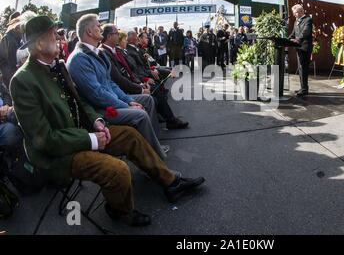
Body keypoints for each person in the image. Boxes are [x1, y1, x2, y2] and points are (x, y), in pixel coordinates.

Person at [10, 15, 205, 227]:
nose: (59, 38)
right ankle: (120, 210)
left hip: (82, 134)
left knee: (131, 135)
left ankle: (170, 182)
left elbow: (81, 102)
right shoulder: (23, 80)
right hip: (59, 155)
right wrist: (91, 139)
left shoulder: (57, 66)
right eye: (53, 35)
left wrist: (96, 122)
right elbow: (44, 140)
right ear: (39, 43)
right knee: (118, 169)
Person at [66, 14, 169, 159]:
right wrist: (126, 105)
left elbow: (110, 83)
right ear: (89, 31)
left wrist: (128, 100)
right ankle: (154, 157)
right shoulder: (79, 59)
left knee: (147, 100)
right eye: (97, 26)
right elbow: (97, 94)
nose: (100, 28)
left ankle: (153, 144)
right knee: (140, 115)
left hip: (113, 102)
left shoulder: (97, 53)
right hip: (101, 110)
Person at [100, 24, 188, 130]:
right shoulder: (105, 53)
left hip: (134, 82)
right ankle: (167, 122)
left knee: (156, 90)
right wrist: (140, 87)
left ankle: (168, 119)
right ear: (109, 36)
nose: (120, 38)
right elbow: (119, 79)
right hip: (124, 90)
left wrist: (141, 83)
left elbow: (132, 72)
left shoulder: (116, 51)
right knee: (153, 96)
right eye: (117, 34)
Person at [289, 4, 313, 98]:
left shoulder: (308, 20)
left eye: (295, 13)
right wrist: (286, 40)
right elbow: (293, 34)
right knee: (300, 68)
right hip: (298, 48)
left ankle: (304, 89)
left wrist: (298, 39)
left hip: (305, 48)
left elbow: (306, 32)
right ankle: (302, 87)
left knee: (304, 68)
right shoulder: (296, 21)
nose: (294, 14)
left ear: (301, 12)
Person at [0, 12, 23, 87]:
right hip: (9, 79)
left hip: (17, 77)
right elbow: (3, 61)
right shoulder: (7, 38)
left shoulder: (20, 39)